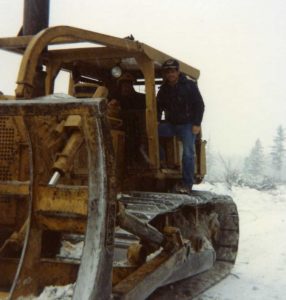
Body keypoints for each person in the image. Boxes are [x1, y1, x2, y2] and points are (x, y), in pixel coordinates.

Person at [157, 58, 205, 193]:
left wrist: (196, 123)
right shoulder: (164, 89)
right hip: (171, 124)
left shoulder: (189, 85)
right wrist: (156, 120)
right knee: (152, 133)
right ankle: (161, 161)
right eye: (167, 72)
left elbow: (199, 105)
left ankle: (187, 184)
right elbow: (158, 105)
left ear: (178, 72)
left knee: (188, 153)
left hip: (187, 125)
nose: (170, 74)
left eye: (173, 71)